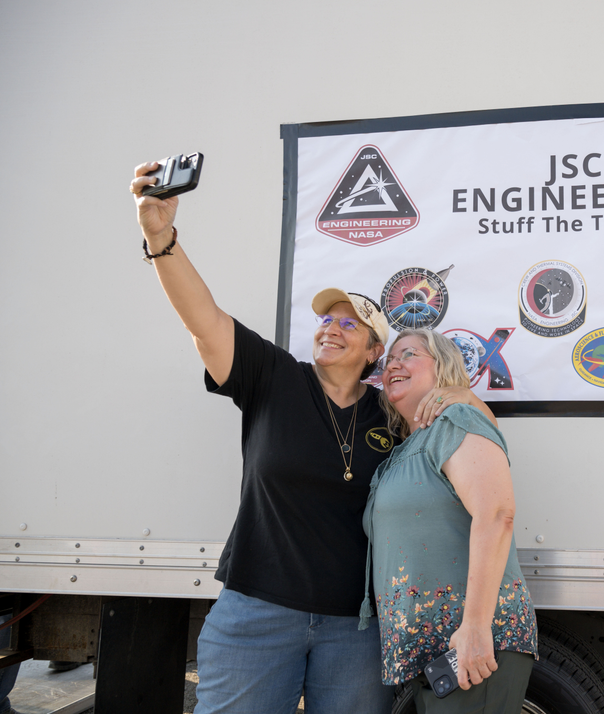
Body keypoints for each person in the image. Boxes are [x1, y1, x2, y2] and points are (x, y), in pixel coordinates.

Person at [129, 161, 495, 714]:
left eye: (351, 324)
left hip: (355, 630)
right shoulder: (274, 376)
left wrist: (463, 396)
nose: (331, 327)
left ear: (376, 352)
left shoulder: (389, 412)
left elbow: (471, 430)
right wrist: (161, 239)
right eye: (326, 319)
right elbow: (203, 320)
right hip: (256, 615)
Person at [362, 329, 537, 714]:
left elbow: (496, 515)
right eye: (389, 359)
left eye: (409, 354)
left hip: (468, 648)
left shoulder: (456, 419)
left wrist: (475, 627)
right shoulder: (408, 445)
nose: (394, 363)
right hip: (433, 657)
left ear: (443, 368)